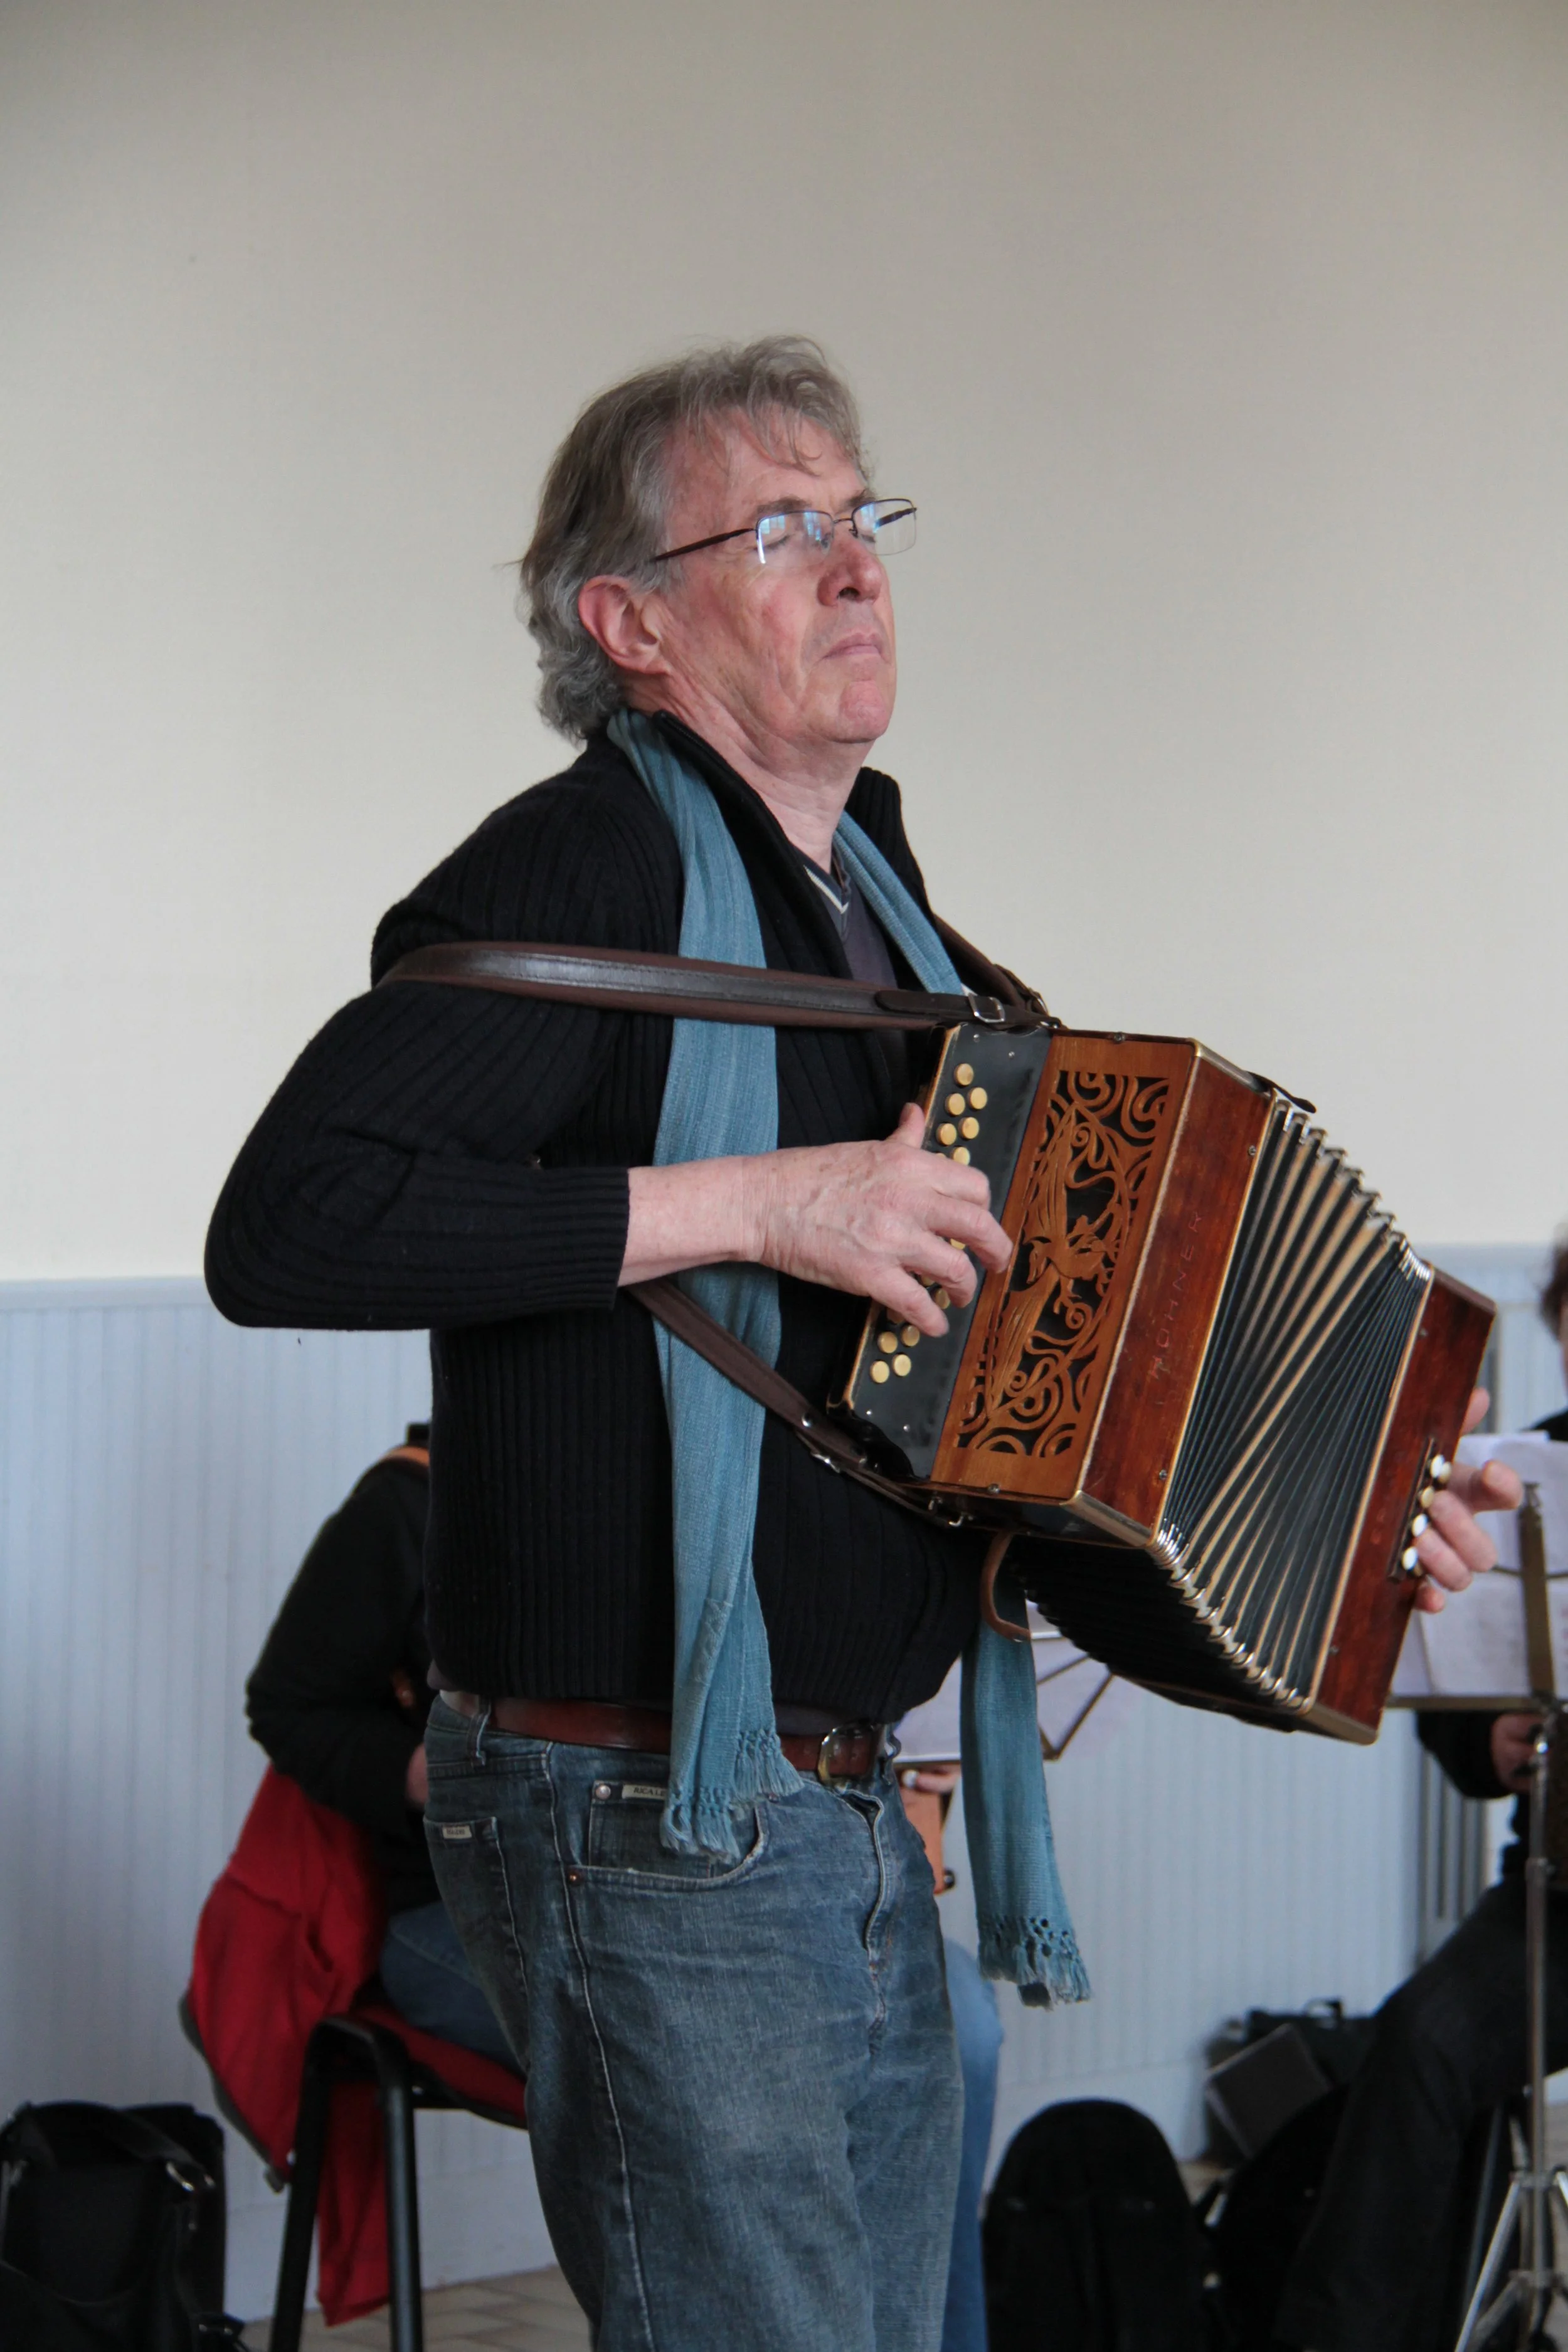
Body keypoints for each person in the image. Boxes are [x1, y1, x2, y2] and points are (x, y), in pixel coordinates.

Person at [205, 336, 1511, 2352]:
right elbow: (286, 1218)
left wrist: (1355, 1576)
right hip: (640, 1810)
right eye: (780, 525)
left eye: (862, 516)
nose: (853, 564)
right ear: (628, 620)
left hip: (844, 1807)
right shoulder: (599, 861)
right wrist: (756, 1201)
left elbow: (1009, 1474)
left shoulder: (898, 936)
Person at [1273, 1235, 1568, 2352]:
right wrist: (1490, 1740)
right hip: (1560, 1898)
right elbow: (1451, 1705)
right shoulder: (1533, 1482)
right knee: (1420, 2045)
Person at [245, 1426, 519, 2074]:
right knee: (680, 2063)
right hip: (457, 1915)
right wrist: (426, 1773)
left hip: (655, 1907)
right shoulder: (411, 1503)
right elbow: (288, 1708)